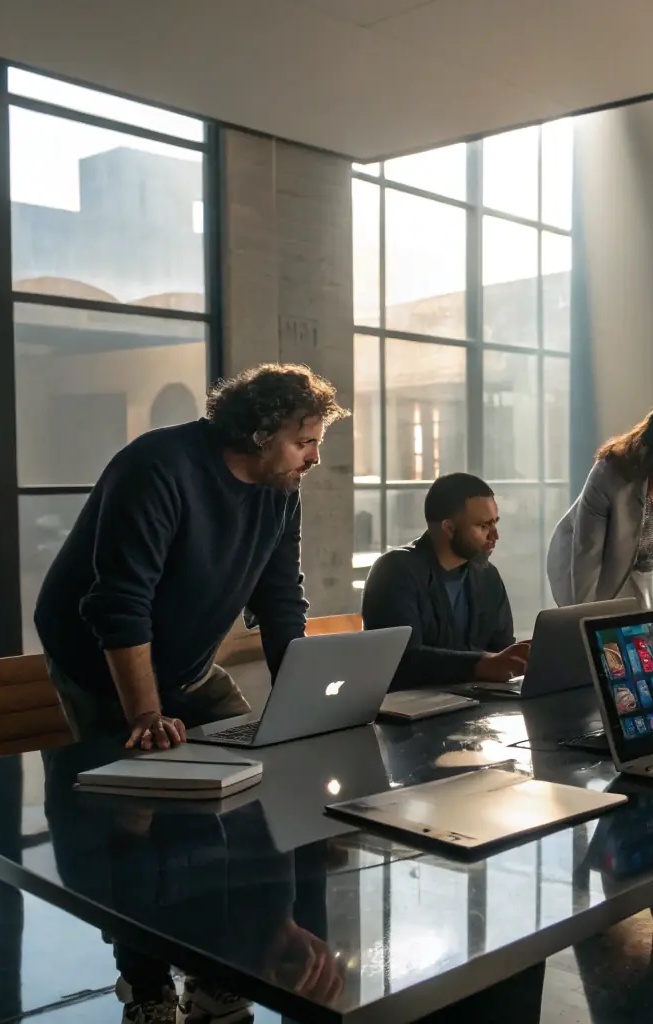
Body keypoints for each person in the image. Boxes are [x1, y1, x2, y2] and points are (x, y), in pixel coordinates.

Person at [34, 363, 346, 1024]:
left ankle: (223, 961)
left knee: (264, 787)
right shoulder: (158, 467)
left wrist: (300, 705)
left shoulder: (278, 489)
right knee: (127, 818)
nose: (314, 459)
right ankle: (144, 984)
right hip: (100, 662)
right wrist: (144, 714)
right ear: (260, 432)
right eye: (305, 442)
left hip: (187, 664)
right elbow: (119, 603)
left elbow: (280, 597)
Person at [547, 401, 653, 609]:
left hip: (633, 567)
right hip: (576, 561)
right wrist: (584, 622)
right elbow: (587, 556)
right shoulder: (612, 475)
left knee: (638, 631)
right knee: (592, 628)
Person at [360, 473, 530, 689]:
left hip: (477, 704)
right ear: (448, 528)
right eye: (483, 526)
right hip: (411, 708)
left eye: (495, 523)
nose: (495, 536)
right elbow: (401, 659)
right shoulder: (394, 571)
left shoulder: (487, 576)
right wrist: (482, 664)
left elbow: (501, 649)